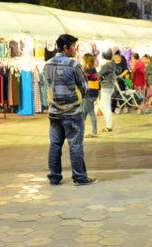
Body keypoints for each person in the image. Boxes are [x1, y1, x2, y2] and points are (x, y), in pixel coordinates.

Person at [42, 34, 96, 186]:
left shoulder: (47, 64)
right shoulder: (74, 65)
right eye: (74, 46)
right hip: (72, 112)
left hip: (54, 113)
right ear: (65, 48)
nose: (76, 50)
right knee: (75, 145)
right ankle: (79, 177)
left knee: (55, 145)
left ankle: (54, 176)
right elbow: (85, 88)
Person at [98, 50, 116, 132]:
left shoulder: (106, 65)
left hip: (106, 87)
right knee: (102, 105)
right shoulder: (112, 64)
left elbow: (99, 75)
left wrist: (101, 77)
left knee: (106, 107)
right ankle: (108, 123)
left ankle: (109, 126)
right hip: (109, 87)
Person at [82, 54, 99, 138]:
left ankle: (94, 132)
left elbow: (81, 79)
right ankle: (79, 131)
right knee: (83, 113)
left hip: (90, 93)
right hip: (94, 93)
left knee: (91, 113)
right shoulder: (94, 69)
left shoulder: (89, 71)